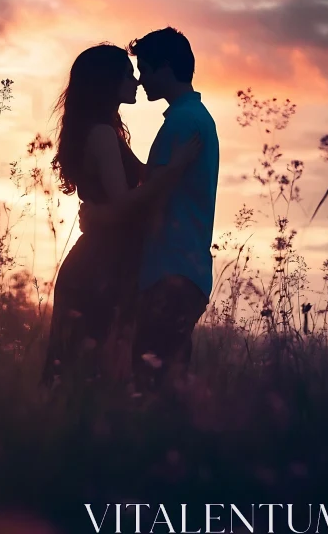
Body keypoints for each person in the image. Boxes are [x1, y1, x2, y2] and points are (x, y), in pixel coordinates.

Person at [41, 43, 200, 388]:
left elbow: (139, 178)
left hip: (108, 262)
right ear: (108, 80)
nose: (137, 81)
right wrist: (176, 168)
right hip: (99, 267)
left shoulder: (106, 131)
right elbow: (126, 203)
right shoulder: (100, 134)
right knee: (84, 374)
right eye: (128, 74)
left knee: (91, 372)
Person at [80, 28, 219, 393]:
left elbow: (144, 202)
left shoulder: (182, 124)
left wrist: (101, 218)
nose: (140, 80)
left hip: (171, 270)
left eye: (143, 69)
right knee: (159, 385)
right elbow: (149, 190)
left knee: (152, 389)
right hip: (178, 269)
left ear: (166, 68)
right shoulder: (189, 119)